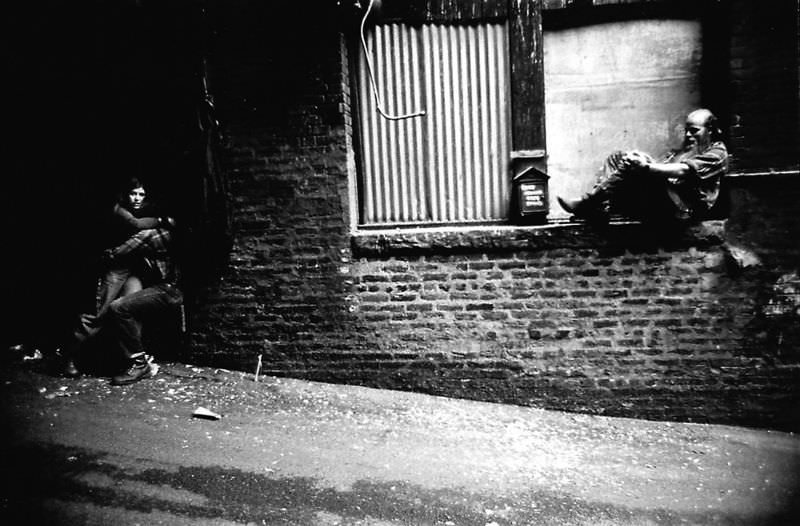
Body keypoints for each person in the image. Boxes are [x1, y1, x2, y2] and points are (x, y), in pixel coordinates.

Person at [62, 178, 177, 380]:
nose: (137, 198)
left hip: (134, 267)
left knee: (126, 311)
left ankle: (130, 362)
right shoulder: (118, 210)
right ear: (125, 194)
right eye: (133, 193)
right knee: (99, 314)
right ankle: (69, 357)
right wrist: (162, 220)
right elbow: (136, 224)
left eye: (141, 194)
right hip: (115, 266)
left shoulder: (144, 208)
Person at [557, 108, 728, 225]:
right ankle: (600, 207)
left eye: (695, 130)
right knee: (617, 158)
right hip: (668, 197)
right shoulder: (685, 150)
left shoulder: (717, 153)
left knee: (635, 164)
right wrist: (641, 162)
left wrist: (645, 167)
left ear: (711, 130)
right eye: (687, 130)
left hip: (685, 208)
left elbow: (684, 170)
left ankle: (589, 203)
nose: (689, 135)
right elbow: (663, 168)